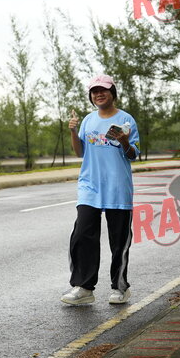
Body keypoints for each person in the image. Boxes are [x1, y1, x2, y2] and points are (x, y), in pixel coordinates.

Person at [61, 74, 140, 305]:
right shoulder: (88, 120)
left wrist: (124, 141)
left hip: (117, 187)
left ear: (112, 92)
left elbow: (134, 155)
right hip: (90, 187)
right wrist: (73, 132)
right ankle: (84, 287)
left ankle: (120, 287)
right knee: (82, 234)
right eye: (94, 91)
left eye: (103, 90)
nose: (99, 94)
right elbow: (80, 152)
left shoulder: (126, 119)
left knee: (119, 241)